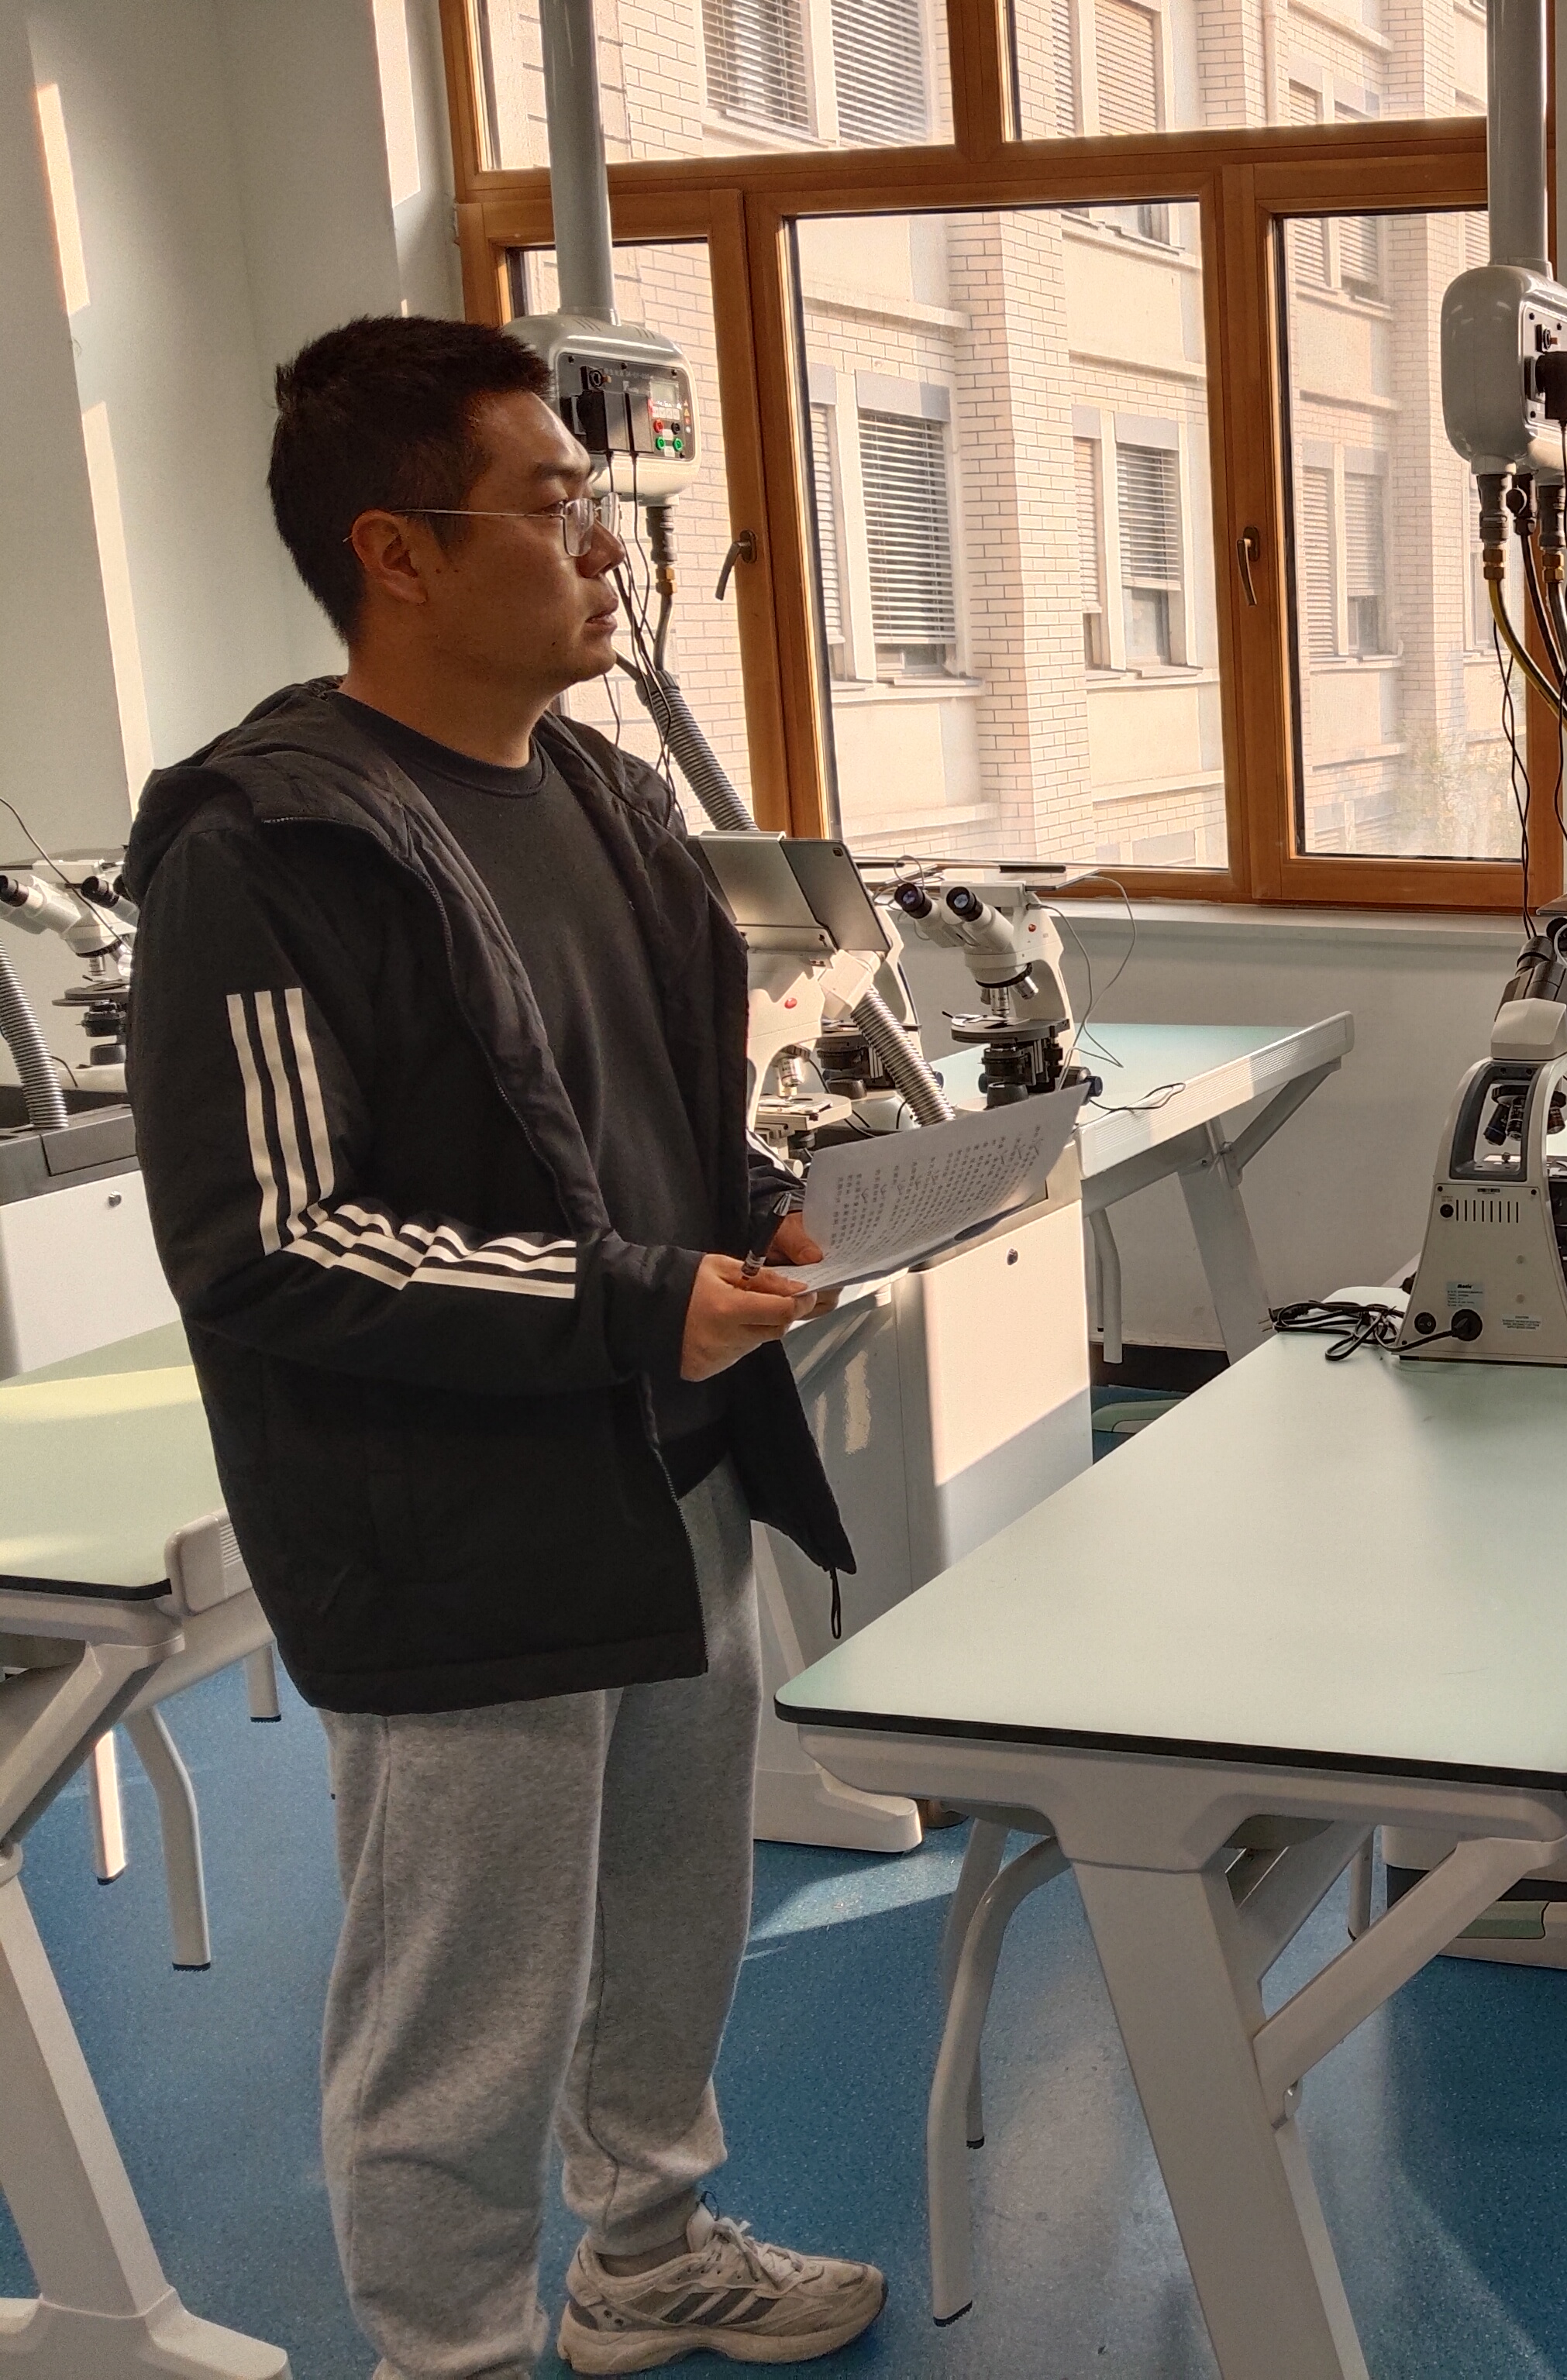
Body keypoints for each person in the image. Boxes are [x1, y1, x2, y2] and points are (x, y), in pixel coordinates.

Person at [122, 315, 886, 2375]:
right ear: (398, 552)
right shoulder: (267, 852)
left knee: (667, 1933)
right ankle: (447, 2352)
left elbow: (644, 1114)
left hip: (674, 1473)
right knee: (458, 2018)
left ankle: (647, 2256)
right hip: (458, 1539)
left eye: (596, 500)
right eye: (555, 505)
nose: (606, 545)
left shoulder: (604, 802)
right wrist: (637, 1300)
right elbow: (274, 1243)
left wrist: (746, 1208)